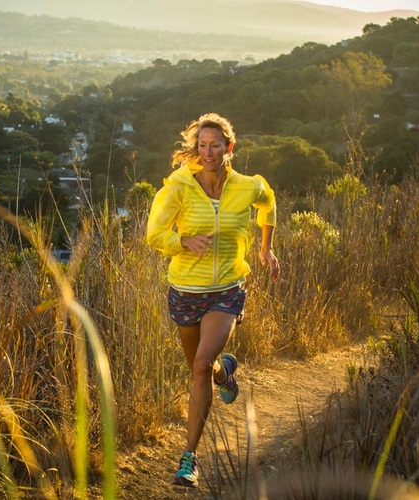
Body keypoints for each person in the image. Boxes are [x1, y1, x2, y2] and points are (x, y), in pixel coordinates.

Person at [146, 113, 281, 488]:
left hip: (227, 289)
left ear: (229, 148)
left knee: (200, 365)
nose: (208, 153)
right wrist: (183, 242)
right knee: (202, 369)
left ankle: (188, 458)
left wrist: (266, 248)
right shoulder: (177, 188)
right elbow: (154, 234)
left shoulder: (247, 186)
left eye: (215, 145)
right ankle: (226, 374)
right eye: (202, 146)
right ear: (196, 148)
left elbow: (268, 203)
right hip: (185, 291)